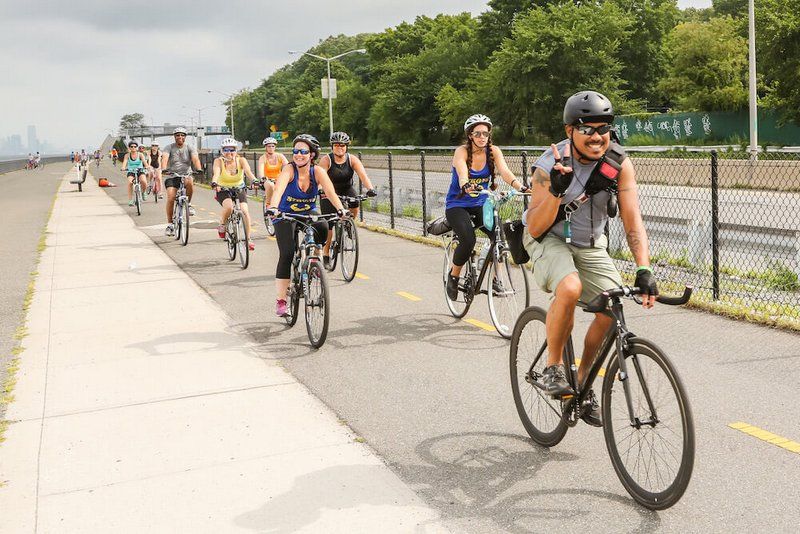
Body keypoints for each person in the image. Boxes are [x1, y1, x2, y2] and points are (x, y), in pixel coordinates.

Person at [522, 90, 658, 427]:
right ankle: (553, 367)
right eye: (587, 128)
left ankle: (582, 383)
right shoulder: (548, 164)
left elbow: (632, 219)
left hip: (589, 244)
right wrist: (555, 190)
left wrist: (643, 268)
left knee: (613, 308)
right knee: (569, 287)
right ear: (570, 131)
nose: (597, 136)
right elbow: (536, 227)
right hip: (547, 239)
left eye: (604, 128)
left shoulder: (618, 164)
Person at [444, 114, 530, 300]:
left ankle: (497, 280)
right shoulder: (462, 151)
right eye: (477, 133)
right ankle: (453, 275)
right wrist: (466, 185)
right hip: (457, 205)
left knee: (499, 237)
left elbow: (505, 172)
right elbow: (461, 171)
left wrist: (520, 187)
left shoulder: (493, 151)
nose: (482, 137)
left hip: (481, 203)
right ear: (470, 136)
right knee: (468, 240)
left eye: (485, 133)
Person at [266, 134, 347, 317]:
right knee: (287, 254)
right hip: (284, 214)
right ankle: (281, 301)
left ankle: (314, 260)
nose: (298, 155)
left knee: (323, 226)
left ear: (312, 154)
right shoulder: (289, 169)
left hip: (307, 212)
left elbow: (330, 191)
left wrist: (341, 209)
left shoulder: (317, 171)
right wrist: (273, 208)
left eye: (303, 151)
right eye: (296, 151)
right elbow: (278, 190)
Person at [318, 131, 377, 266]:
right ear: (332, 146)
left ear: (347, 147)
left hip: (346, 188)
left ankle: (349, 224)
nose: (340, 148)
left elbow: (363, 175)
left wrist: (370, 189)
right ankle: (326, 253)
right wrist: (321, 189)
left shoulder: (352, 159)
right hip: (329, 192)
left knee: (355, 202)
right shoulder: (326, 160)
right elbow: (320, 177)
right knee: (329, 225)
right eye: (337, 145)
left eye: (343, 145)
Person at [210, 138, 258, 251]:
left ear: (236, 151)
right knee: (229, 207)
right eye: (226, 149)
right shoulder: (218, 161)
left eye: (232, 150)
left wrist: (255, 181)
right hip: (223, 189)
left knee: (245, 211)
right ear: (222, 151)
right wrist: (214, 183)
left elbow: (248, 172)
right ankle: (222, 224)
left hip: (239, 188)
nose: (229, 152)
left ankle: (248, 238)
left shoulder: (241, 160)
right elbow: (216, 173)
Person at [161, 127, 202, 236]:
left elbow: (195, 159)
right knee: (170, 197)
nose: (180, 137)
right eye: (177, 135)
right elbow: (164, 158)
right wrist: (164, 168)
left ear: (185, 137)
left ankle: (189, 204)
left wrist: (198, 168)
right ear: (174, 137)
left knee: (189, 182)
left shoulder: (190, 147)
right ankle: (170, 224)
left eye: (182, 135)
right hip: (172, 175)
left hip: (185, 174)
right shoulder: (168, 147)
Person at [256, 136, 288, 208]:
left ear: (275, 147)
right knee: (270, 185)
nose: (271, 148)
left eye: (273, 146)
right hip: (267, 180)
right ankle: (269, 205)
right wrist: (263, 177)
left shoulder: (280, 156)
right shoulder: (263, 158)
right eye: (269, 146)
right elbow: (261, 170)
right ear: (265, 147)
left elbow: (288, 166)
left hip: (279, 179)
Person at [120, 140, 149, 206]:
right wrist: (123, 167)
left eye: (135, 146)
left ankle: (143, 192)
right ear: (129, 148)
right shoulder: (127, 155)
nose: (133, 148)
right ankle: (130, 200)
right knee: (130, 183)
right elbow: (125, 162)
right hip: (131, 171)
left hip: (140, 170)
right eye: (131, 146)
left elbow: (144, 162)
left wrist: (147, 166)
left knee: (143, 181)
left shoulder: (140, 154)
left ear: (137, 147)